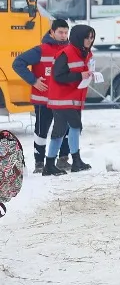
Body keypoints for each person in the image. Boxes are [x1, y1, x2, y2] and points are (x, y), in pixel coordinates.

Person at [13, 19, 72, 172]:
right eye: (60, 32)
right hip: (43, 100)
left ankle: (63, 160)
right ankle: (39, 164)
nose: (63, 35)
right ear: (52, 32)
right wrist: (33, 80)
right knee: (41, 131)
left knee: (65, 129)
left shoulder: (71, 50)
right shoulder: (41, 50)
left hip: (64, 100)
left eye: (66, 33)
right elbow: (17, 63)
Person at [44, 24, 101, 175]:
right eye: (87, 37)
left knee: (67, 129)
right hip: (62, 99)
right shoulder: (66, 53)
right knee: (69, 128)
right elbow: (58, 76)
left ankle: (59, 162)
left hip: (74, 98)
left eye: (92, 37)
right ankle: (65, 162)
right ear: (78, 38)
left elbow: (83, 72)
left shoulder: (87, 54)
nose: (90, 40)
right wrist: (80, 76)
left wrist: (91, 74)